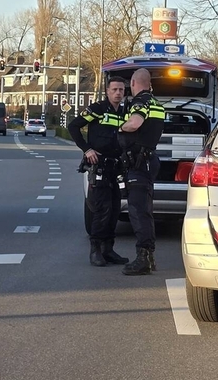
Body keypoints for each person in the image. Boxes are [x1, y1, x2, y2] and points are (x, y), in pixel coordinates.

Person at [68, 77, 128, 266]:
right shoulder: (97, 109)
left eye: (121, 90)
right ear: (107, 91)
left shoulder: (126, 112)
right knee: (102, 209)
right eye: (114, 89)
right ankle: (95, 250)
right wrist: (87, 149)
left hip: (115, 166)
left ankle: (108, 250)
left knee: (115, 208)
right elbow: (73, 126)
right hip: (99, 165)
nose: (118, 93)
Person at [118, 68, 166, 276]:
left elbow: (135, 123)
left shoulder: (141, 102)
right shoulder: (156, 103)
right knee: (146, 210)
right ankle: (150, 256)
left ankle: (143, 257)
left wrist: (119, 128)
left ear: (133, 84)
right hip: (148, 160)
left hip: (138, 163)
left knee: (137, 211)